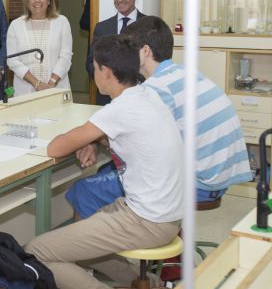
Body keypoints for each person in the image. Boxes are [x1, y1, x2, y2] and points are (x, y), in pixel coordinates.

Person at [26, 34, 183, 289]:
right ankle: (158, 287)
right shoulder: (146, 94)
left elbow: (56, 146)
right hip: (167, 214)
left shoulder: (120, 108)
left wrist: (88, 136)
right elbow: (128, 139)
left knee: (37, 251)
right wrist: (94, 140)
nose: (94, 72)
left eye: (95, 68)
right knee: (87, 231)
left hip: (146, 219)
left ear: (106, 72)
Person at [67, 16, 252, 220]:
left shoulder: (156, 89)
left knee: (84, 190)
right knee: (107, 169)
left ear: (145, 51)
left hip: (198, 183)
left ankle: (106, 244)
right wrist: (95, 139)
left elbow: (133, 142)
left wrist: (92, 138)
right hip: (219, 178)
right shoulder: (184, 73)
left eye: (130, 49)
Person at [6, 0, 72, 97]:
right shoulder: (15, 25)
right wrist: (37, 84)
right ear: (26, 1)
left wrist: (51, 83)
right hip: (25, 92)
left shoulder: (62, 22)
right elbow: (12, 60)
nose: (37, 1)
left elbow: (65, 56)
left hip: (57, 89)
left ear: (49, 0)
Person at [86, 0, 144, 105]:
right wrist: (110, 81)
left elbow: (152, 64)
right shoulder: (102, 27)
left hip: (139, 98)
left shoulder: (147, 26)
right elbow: (90, 63)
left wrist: (127, 85)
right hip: (106, 100)